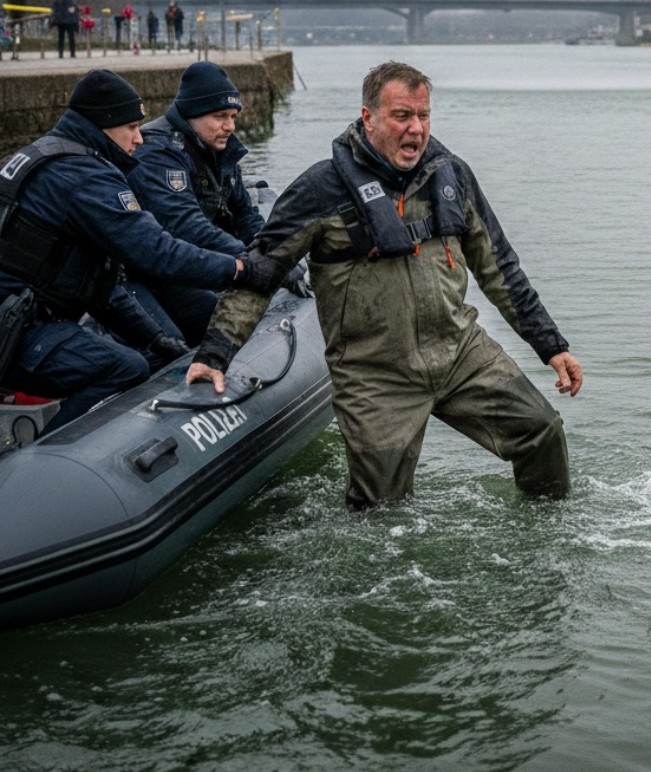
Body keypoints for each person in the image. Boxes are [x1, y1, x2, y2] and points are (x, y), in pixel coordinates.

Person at [187, 61, 583, 508]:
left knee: (542, 431)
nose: (416, 129)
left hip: (459, 354)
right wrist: (215, 355)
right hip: (375, 373)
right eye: (402, 116)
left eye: (424, 116)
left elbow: (500, 269)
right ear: (368, 117)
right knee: (380, 512)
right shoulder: (321, 188)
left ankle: (547, 536)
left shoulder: (452, 176)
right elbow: (260, 275)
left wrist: (550, 345)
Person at [0, 70, 261, 434]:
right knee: (126, 367)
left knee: (150, 350)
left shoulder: (47, 156)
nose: (140, 138)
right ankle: (44, 460)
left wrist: (154, 338)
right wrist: (241, 269)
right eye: (132, 127)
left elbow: (100, 281)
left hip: (20, 312)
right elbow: (158, 252)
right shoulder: (85, 175)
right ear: (103, 125)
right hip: (15, 328)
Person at [126, 62, 265, 345]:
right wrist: (253, 262)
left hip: (190, 266)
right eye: (220, 116)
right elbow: (184, 224)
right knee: (168, 346)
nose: (230, 126)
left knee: (228, 321)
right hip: (146, 273)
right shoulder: (158, 153)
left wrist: (273, 253)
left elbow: (244, 214)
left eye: (233, 116)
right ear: (192, 114)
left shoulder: (220, 150)